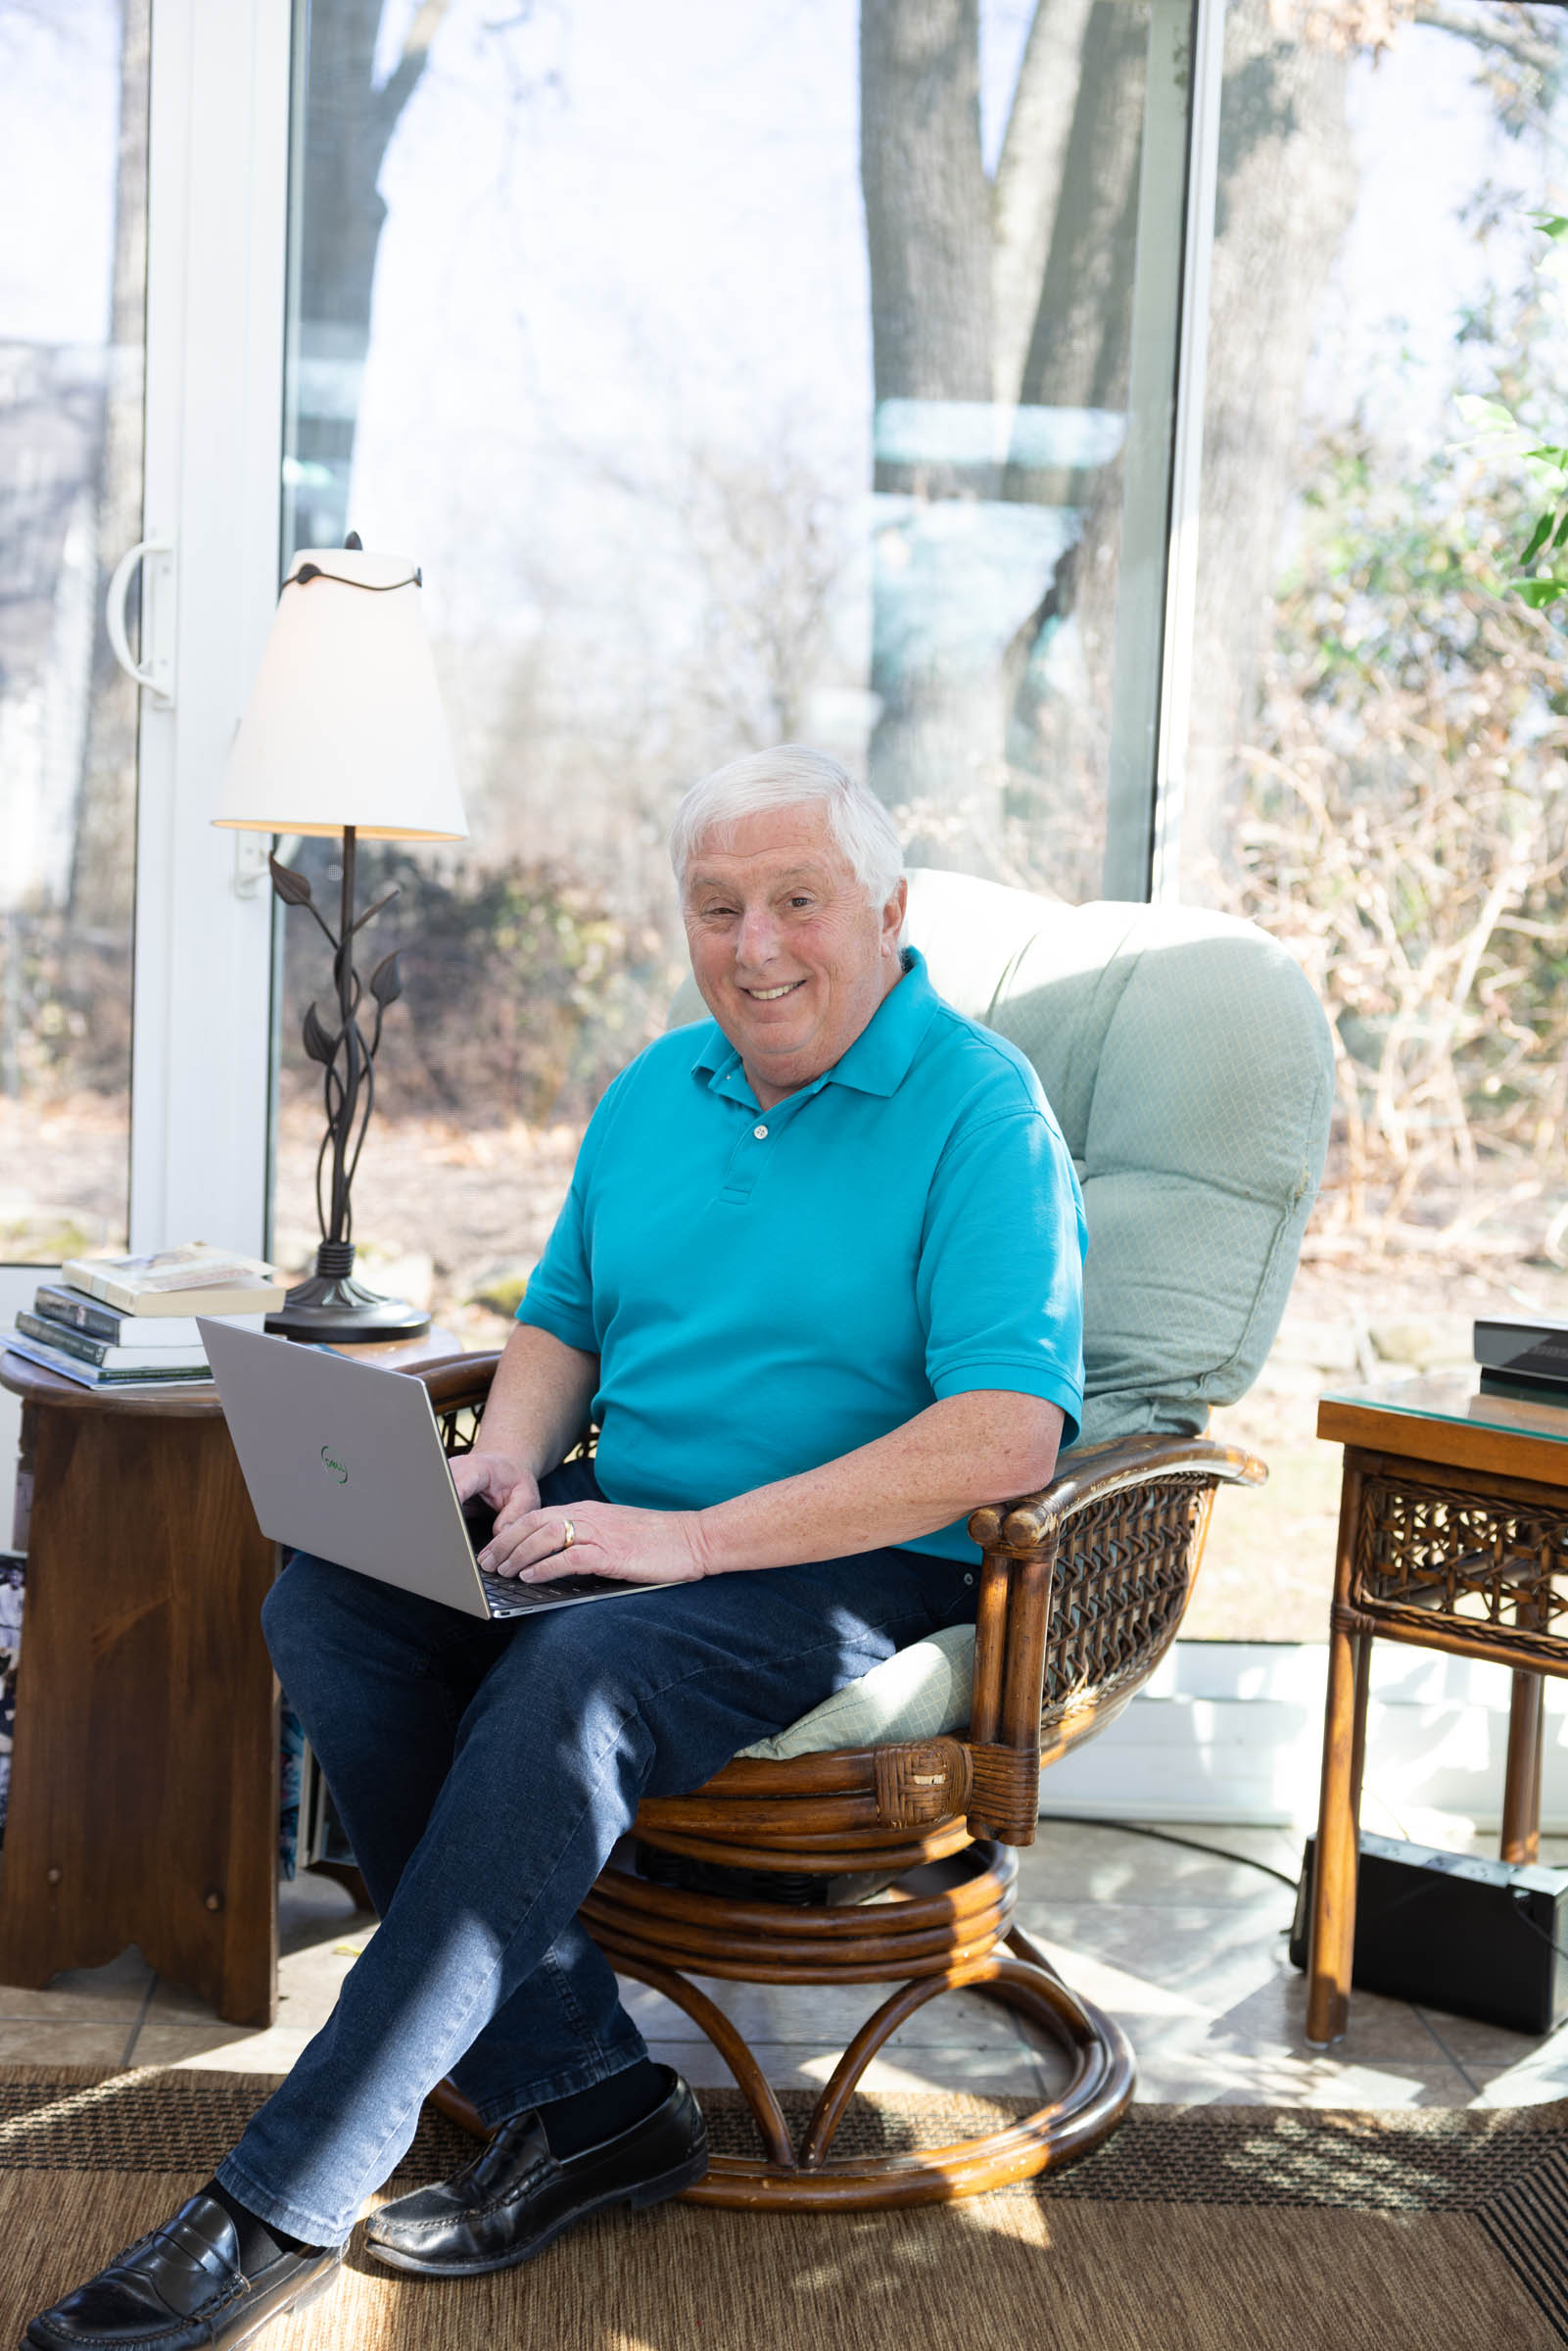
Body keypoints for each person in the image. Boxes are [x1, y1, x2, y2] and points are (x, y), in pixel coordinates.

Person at [24, 745, 1086, 2351]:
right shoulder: (660, 1085)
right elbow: (563, 1318)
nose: (754, 946)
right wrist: (509, 1457)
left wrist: (693, 1541)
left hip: (856, 1563)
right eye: (716, 907)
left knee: (568, 1687)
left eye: (796, 901)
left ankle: (279, 2198)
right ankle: (588, 2097)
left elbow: (1005, 1436)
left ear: (886, 912)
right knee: (336, 1608)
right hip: (620, 1519)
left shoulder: (980, 1111)